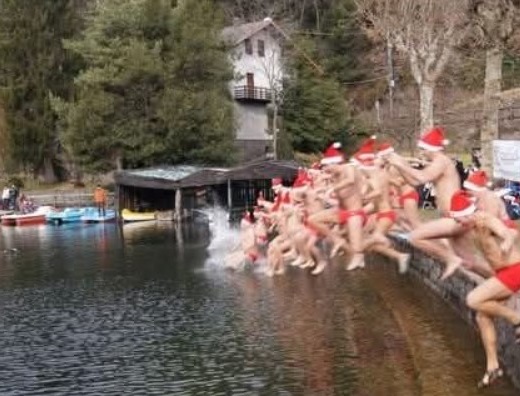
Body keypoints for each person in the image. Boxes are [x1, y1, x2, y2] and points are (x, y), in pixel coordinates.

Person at [448, 190, 520, 388]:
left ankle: (516, 319)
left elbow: (508, 231)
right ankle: (493, 366)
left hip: (515, 270)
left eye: (458, 219)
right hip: (503, 274)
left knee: (473, 299)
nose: (458, 224)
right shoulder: (471, 227)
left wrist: (506, 241)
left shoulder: (484, 219)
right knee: (482, 316)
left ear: (467, 213)